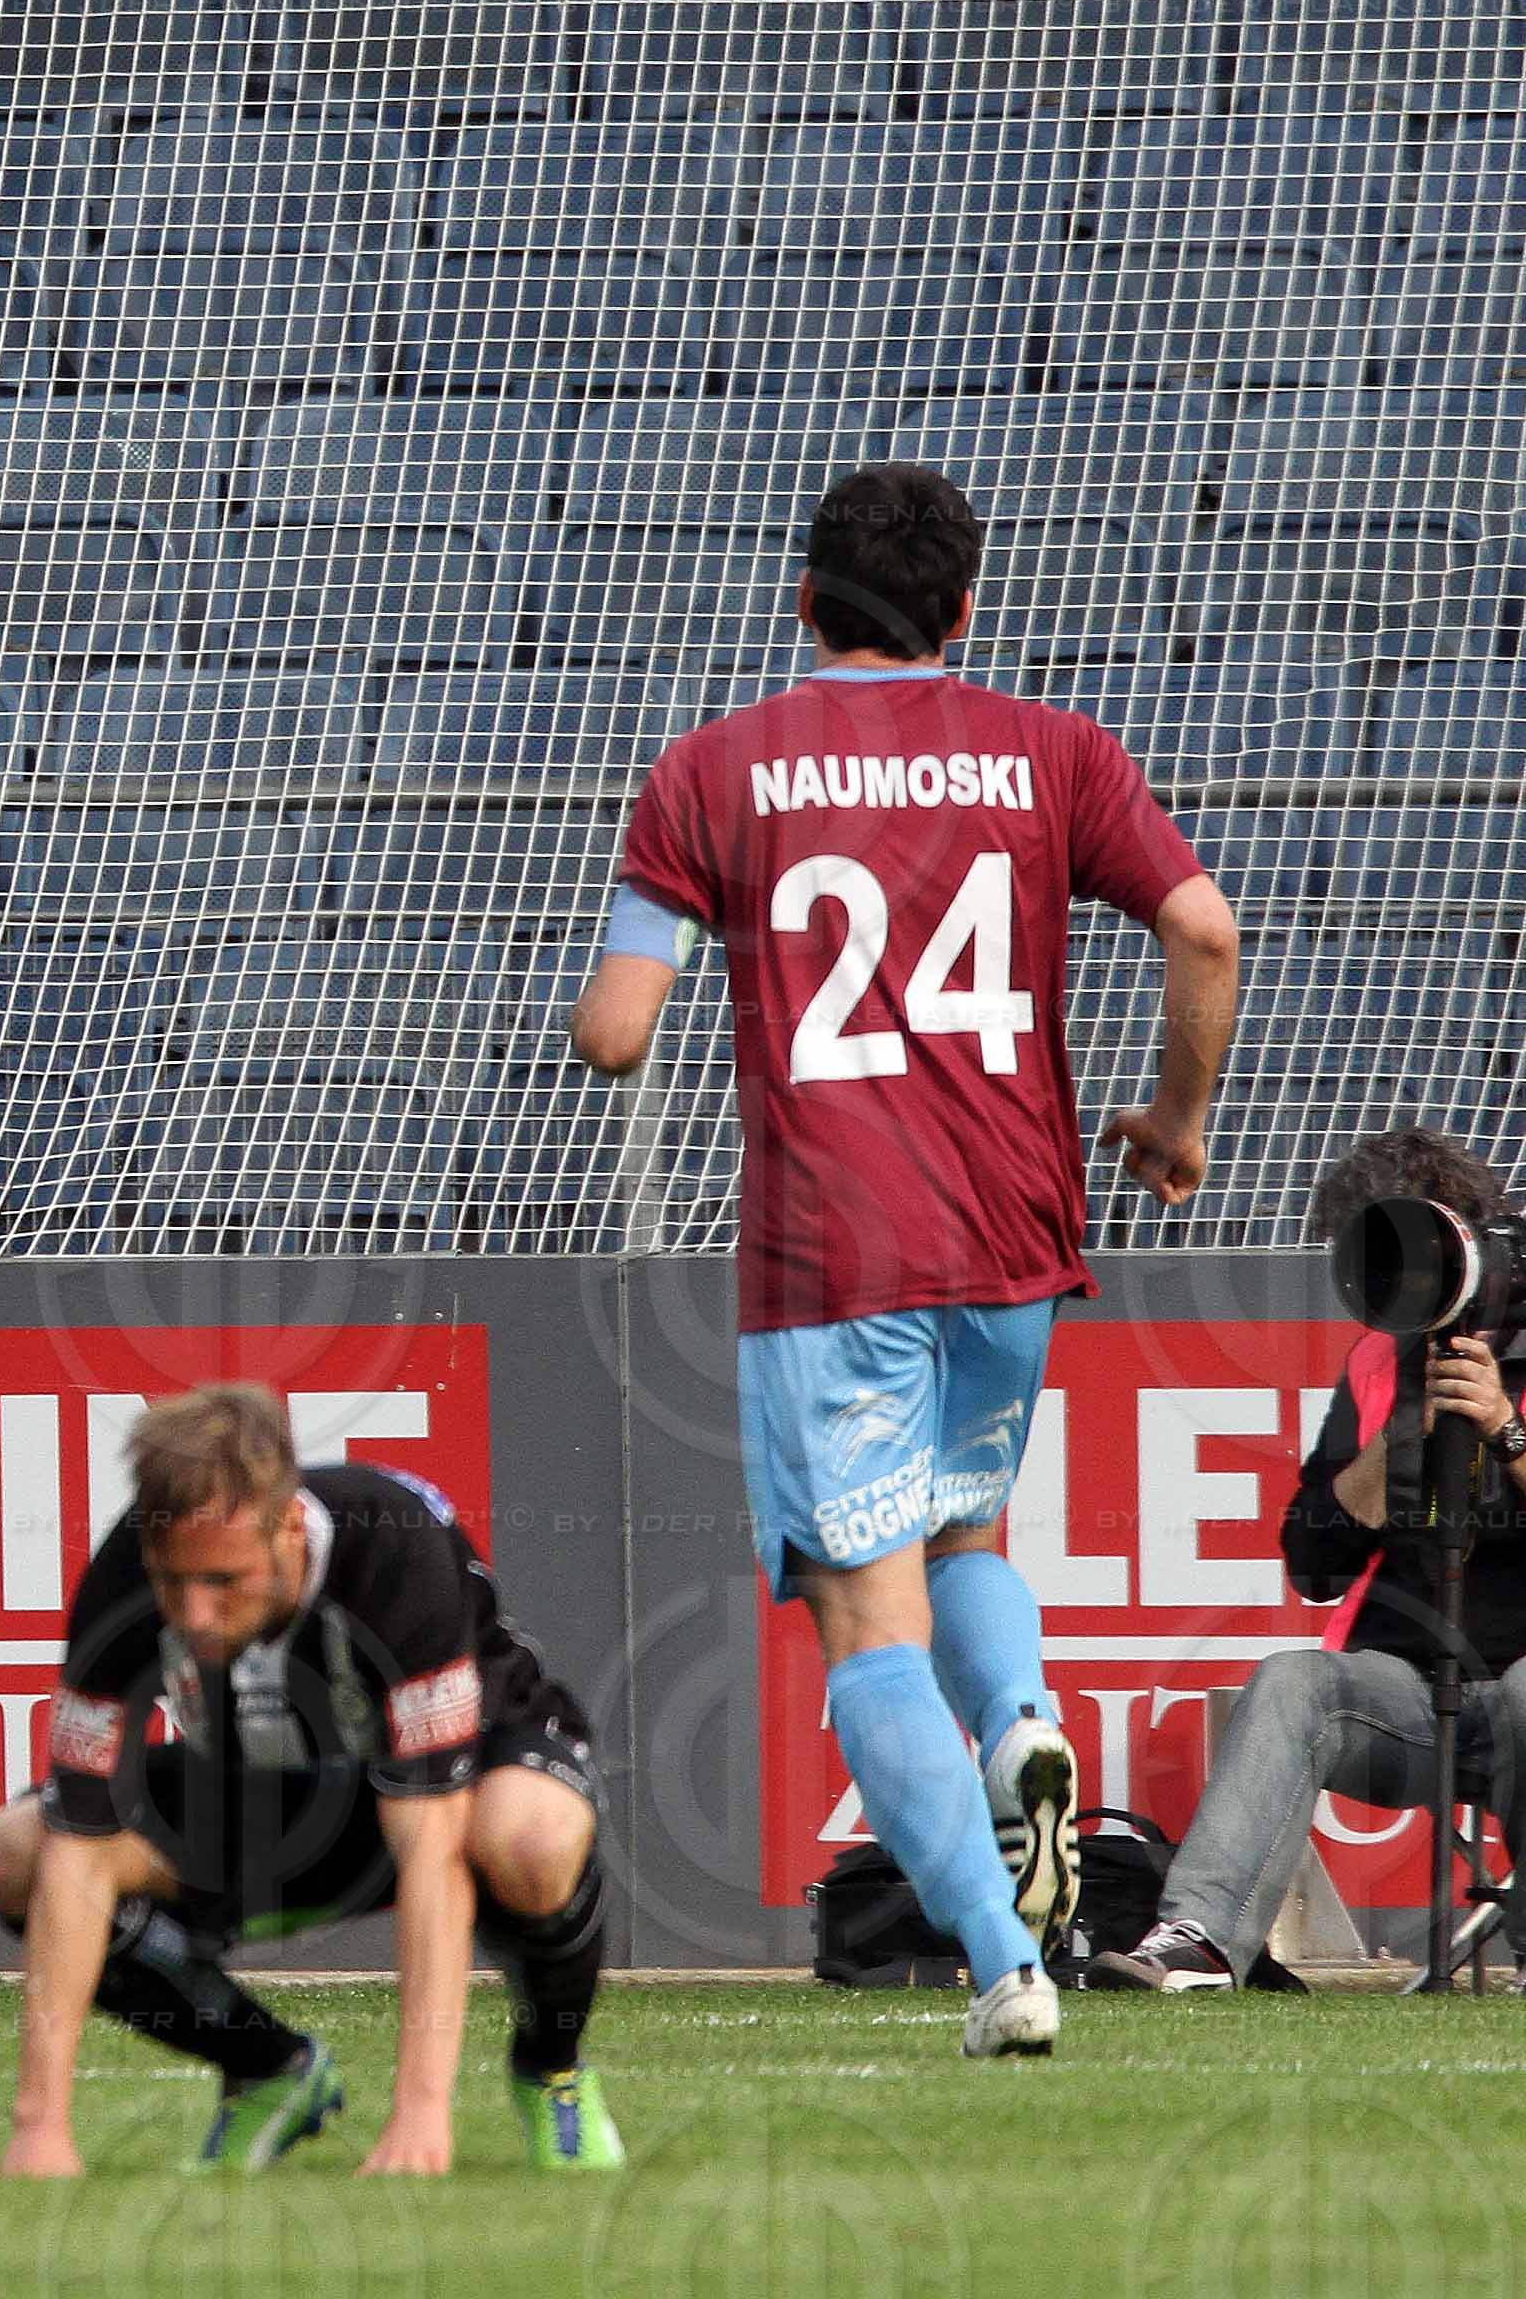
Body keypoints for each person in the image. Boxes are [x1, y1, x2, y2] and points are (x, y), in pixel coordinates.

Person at [567, 463, 1242, 2058]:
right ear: (963, 612)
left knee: (866, 1625)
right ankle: (1024, 1727)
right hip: (1015, 1232)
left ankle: (1006, 1967)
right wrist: (1178, 1119)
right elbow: (1205, 928)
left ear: (803, 602)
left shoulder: (712, 771)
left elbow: (613, 1034)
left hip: (833, 1259)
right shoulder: (1053, 751)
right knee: (968, 1533)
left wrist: (634, 989)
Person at [0, 1386, 620, 2179]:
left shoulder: (394, 1546)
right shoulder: (126, 1573)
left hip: (462, 1791)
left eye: (223, 1581)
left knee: (531, 1835)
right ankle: (270, 2069)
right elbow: (81, 1843)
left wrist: (420, 2117)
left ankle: (550, 2068)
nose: (194, 1613)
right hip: (280, 1800)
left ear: (287, 1527)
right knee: (16, 1852)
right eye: (172, 1582)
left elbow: (431, 1847)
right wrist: (41, 2128)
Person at [1098, 1128, 1526, 1998]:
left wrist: (1504, 1428)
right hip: (1409, 1708)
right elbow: (1314, 1560)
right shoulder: (1379, 1366)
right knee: (1294, 1681)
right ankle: (1202, 1943)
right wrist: (1402, 1429)